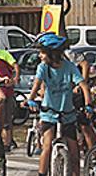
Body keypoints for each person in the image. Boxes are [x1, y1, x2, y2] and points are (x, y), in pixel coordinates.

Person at [28, 33, 92, 176]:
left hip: (67, 113)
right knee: (47, 145)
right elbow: (36, 85)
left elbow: (84, 86)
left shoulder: (69, 67)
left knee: (74, 151)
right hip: (49, 113)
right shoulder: (43, 67)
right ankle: (42, 173)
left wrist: (88, 104)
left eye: (42, 52)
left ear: (53, 54)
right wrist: (30, 99)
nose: (40, 55)